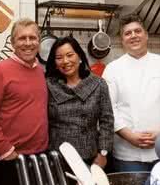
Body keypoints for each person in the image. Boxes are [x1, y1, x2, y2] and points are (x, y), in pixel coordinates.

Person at [102, 14, 160, 172]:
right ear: (122, 40)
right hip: (127, 155)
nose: (133, 36)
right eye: (128, 33)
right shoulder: (112, 69)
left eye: (137, 31)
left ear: (146, 35)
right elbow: (108, 110)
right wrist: (130, 136)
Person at [0, 18, 48, 183]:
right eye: (22, 38)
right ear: (12, 42)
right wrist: (5, 151)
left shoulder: (40, 71)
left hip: (39, 156)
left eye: (32, 38)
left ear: (39, 41)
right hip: (11, 158)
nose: (28, 43)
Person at [45, 36, 114, 169]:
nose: (65, 61)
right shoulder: (48, 85)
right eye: (59, 58)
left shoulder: (98, 84)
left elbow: (107, 121)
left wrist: (103, 153)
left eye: (70, 55)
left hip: (89, 157)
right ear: (55, 63)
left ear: (80, 57)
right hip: (56, 158)